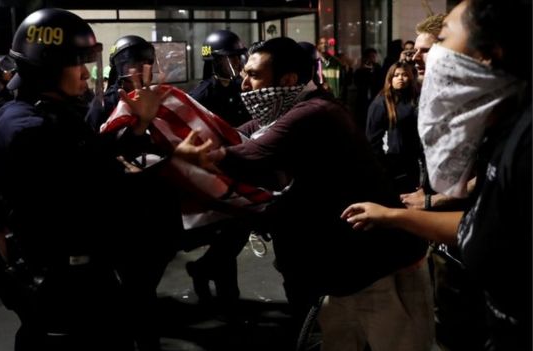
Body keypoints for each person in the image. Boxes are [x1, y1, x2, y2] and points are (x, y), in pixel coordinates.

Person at [171, 37, 434, 350]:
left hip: (380, 266)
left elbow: (247, 155)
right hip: (344, 268)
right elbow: (235, 135)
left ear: (288, 80)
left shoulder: (315, 111)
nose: (244, 83)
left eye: (254, 75)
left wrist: (184, 153)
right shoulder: (286, 110)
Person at [0, 9, 168, 350]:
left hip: (57, 275)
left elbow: (88, 158)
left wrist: (137, 127)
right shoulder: (31, 129)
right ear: (48, 65)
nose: (87, 73)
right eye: (78, 63)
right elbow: (93, 189)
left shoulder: (37, 113)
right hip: (66, 281)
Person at [342, 1, 531, 349]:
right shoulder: (504, 129)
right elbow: (483, 224)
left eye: (441, 40)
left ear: (490, 53)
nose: (422, 59)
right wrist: (394, 215)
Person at [185, 29, 251, 306]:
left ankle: (211, 278)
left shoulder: (240, 88)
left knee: (235, 228)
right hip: (212, 170)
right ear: (213, 61)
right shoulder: (200, 94)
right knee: (230, 227)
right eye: (230, 59)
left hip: (235, 165)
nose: (237, 65)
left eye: (239, 58)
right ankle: (223, 289)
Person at [366, 61, 422, 194]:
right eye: (396, 75)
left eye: (404, 75)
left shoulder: (416, 98)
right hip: (392, 162)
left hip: (414, 160)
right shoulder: (381, 103)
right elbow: (372, 140)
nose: (400, 78)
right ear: (390, 79)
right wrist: (382, 166)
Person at [86, 35, 156, 132]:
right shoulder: (105, 104)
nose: (142, 69)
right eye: (134, 63)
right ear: (119, 68)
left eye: (146, 63)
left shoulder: (152, 97)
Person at [316, 36, 346, 100]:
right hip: (320, 99)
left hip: (336, 99)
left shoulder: (337, 62)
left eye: (326, 43)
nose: (324, 45)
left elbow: (344, 82)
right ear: (317, 46)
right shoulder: (315, 62)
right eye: (321, 43)